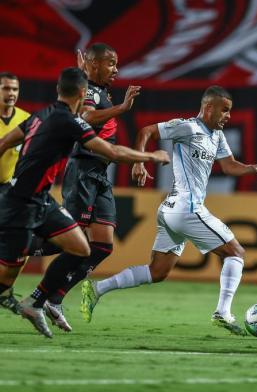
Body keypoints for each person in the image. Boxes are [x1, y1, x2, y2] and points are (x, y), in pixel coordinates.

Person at [81, 85, 257, 336]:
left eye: (230, 111)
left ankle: (96, 290)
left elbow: (228, 166)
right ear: (208, 107)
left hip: (172, 210)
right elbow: (146, 131)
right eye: (224, 110)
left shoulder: (217, 135)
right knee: (235, 252)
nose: (228, 116)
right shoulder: (187, 127)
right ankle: (223, 312)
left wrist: (252, 168)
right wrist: (139, 161)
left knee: (157, 271)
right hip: (186, 208)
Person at [0, 67, 170, 338]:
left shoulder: (40, 115)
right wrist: (151, 157)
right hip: (19, 206)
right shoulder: (70, 122)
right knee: (5, 279)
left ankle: (36, 301)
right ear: (82, 93)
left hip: (41, 202)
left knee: (82, 247)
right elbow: (112, 151)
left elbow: (4, 143)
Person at [27, 42, 146, 331]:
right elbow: (86, 117)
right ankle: (21, 256)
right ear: (94, 64)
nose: (116, 69)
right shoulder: (91, 92)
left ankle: (53, 298)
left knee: (102, 246)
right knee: (72, 241)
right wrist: (121, 108)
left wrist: (88, 74)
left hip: (100, 175)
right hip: (82, 172)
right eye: (111, 63)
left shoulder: (97, 88)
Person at [0, 72, 30, 314]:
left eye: (14, 89)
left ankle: (5, 291)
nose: (10, 94)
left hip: (10, 191)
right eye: (5, 89)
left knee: (22, 244)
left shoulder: (26, 119)